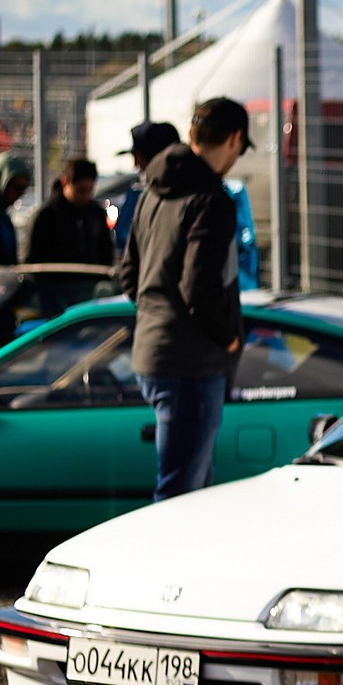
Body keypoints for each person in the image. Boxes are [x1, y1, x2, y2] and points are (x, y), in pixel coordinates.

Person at [120, 97, 250, 500]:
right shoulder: (211, 201)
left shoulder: (152, 192)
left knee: (194, 493)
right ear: (234, 139)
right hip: (191, 363)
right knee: (181, 497)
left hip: (152, 352)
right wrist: (229, 335)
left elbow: (128, 275)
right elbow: (200, 288)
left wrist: (160, 314)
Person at [22, 158, 114, 265]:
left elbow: (106, 254)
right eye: (80, 191)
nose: (86, 196)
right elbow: (31, 261)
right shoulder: (46, 217)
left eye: (90, 190)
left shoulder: (96, 216)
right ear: (65, 182)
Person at [108, 121, 180, 255]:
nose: (136, 165)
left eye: (137, 157)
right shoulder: (199, 196)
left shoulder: (140, 196)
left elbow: (124, 238)